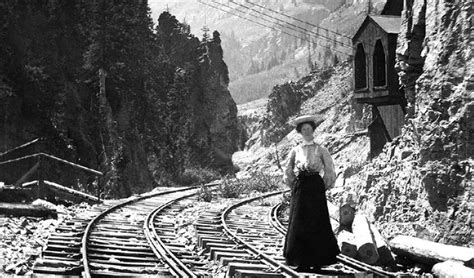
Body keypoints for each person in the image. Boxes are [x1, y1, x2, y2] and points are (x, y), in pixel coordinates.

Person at [283, 114, 340, 272]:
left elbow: (329, 169)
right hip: (301, 188)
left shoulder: (321, 149)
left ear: (313, 130)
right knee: (299, 222)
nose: (307, 132)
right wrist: (294, 184)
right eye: (303, 129)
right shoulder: (295, 150)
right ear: (300, 132)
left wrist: (324, 185)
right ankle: (301, 261)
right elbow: (288, 170)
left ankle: (317, 261)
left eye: (309, 129)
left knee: (317, 222)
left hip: (315, 187)